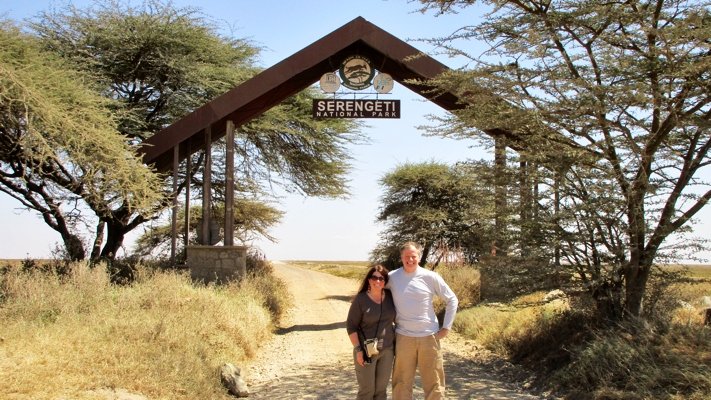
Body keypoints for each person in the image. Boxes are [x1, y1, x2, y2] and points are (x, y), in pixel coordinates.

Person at [388, 242, 458, 400]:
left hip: (429, 337)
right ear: (401, 257)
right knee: (401, 382)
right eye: (406, 256)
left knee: (434, 381)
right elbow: (377, 294)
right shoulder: (392, 277)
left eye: (413, 256)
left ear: (419, 257)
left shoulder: (430, 277)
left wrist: (446, 327)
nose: (410, 259)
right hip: (403, 336)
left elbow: (452, 299)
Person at [346, 264, 397, 400]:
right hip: (366, 351)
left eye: (381, 278)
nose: (378, 281)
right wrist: (358, 350)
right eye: (374, 277)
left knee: (381, 392)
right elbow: (351, 327)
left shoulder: (391, 297)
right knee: (367, 391)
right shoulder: (360, 300)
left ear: (385, 281)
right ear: (369, 280)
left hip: (387, 351)